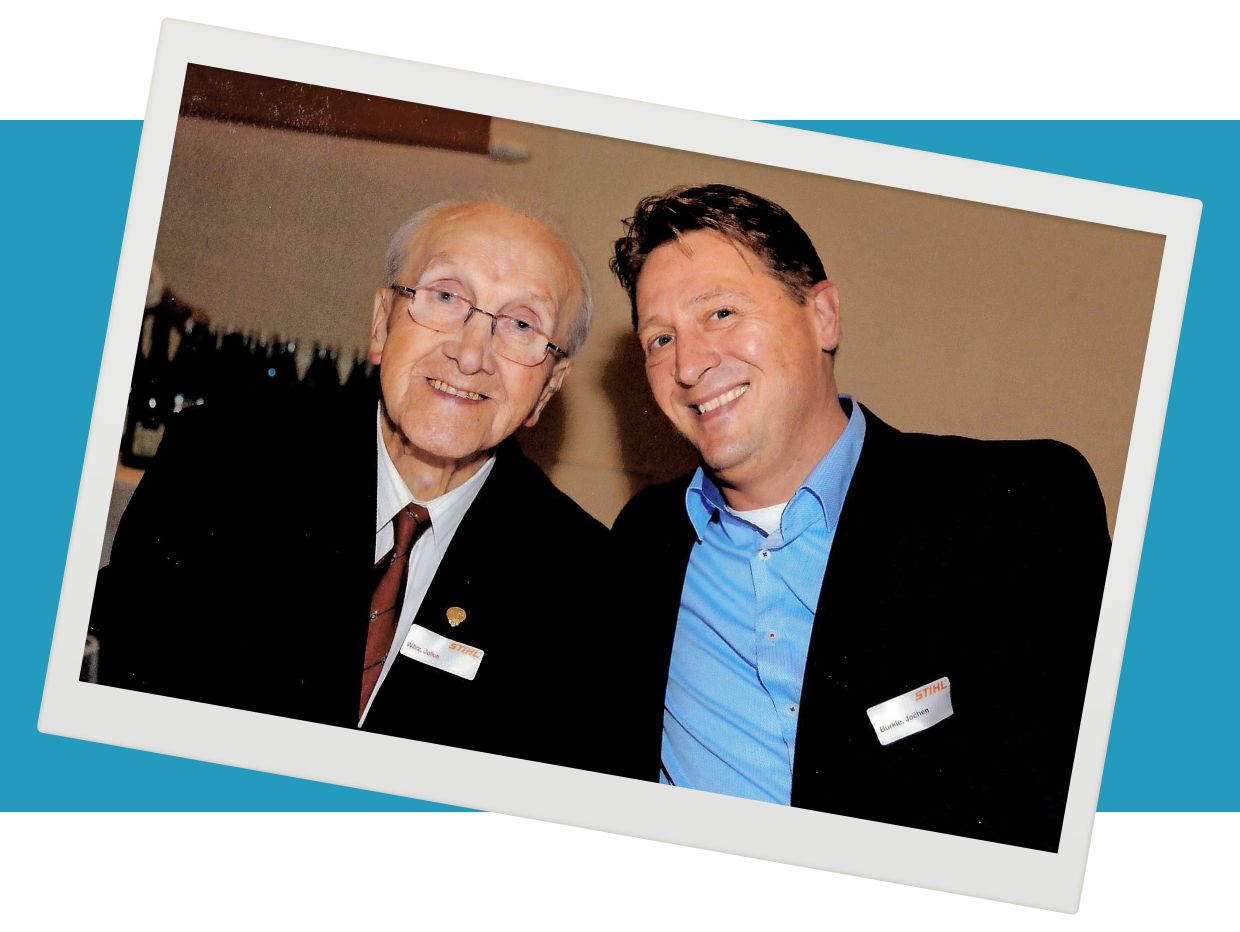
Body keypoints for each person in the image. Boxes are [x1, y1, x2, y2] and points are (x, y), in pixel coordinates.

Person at [608, 183, 1111, 850]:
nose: (690, 364)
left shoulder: (1016, 509)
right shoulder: (640, 545)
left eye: (722, 313)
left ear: (823, 315)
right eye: (659, 339)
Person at [90, 198, 637, 777]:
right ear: (382, 323)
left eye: (522, 325)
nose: (470, 353)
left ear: (549, 385)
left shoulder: (589, 585)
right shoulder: (222, 464)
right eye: (446, 297)